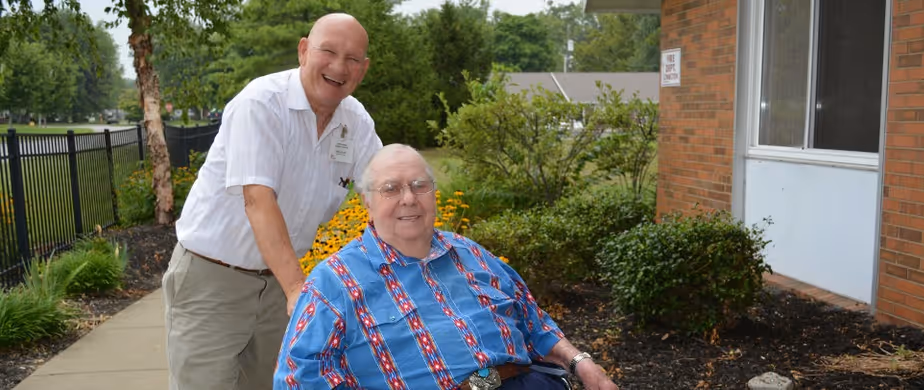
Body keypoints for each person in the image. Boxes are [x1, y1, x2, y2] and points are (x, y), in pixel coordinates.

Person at [273, 144, 618, 390]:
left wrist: (582, 364)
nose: (408, 198)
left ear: (433, 193)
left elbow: (534, 322)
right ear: (368, 201)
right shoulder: (334, 282)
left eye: (419, 185)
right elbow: (298, 377)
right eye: (391, 188)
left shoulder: (470, 253)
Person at [161, 13, 383, 390]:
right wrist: (298, 290)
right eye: (327, 51)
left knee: (280, 385)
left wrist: (419, 255)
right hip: (212, 280)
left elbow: (383, 190)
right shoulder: (261, 103)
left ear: (363, 69)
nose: (338, 66)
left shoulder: (355, 121)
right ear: (303, 51)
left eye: (351, 59)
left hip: (280, 284)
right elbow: (258, 201)